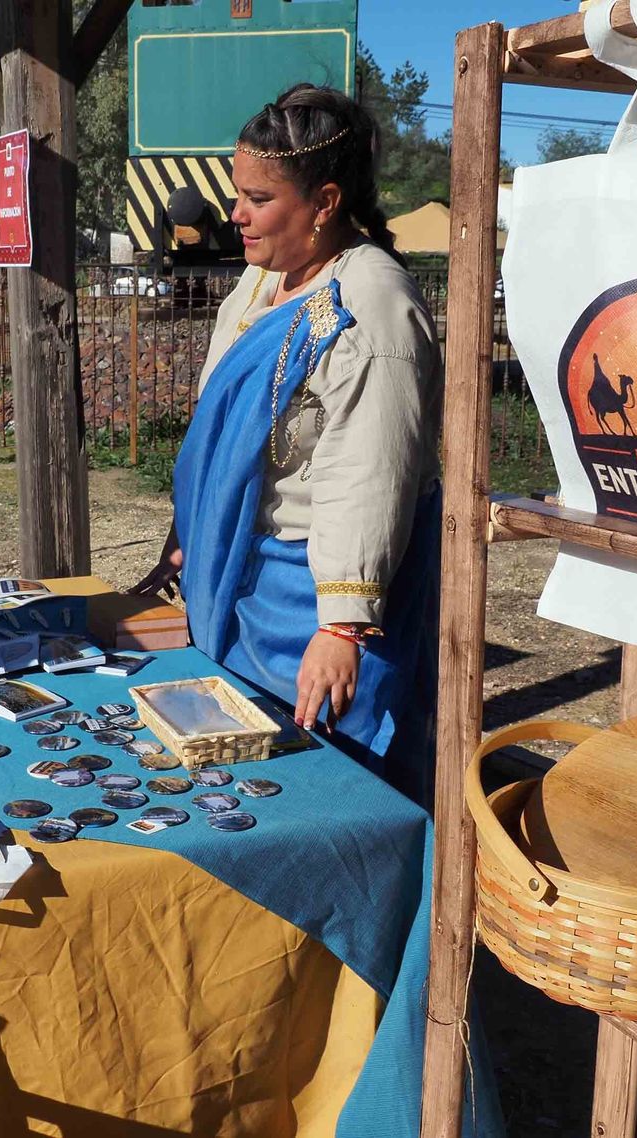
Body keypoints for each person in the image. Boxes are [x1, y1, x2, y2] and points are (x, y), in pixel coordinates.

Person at [134, 84, 441, 799]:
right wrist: (193, 529)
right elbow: (226, 426)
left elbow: (368, 472)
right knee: (245, 765)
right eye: (238, 193)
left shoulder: (371, 308)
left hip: (322, 593)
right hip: (244, 573)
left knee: (333, 780)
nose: (236, 214)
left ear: (326, 202)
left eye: (259, 198)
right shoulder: (259, 283)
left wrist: (341, 628)